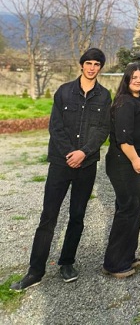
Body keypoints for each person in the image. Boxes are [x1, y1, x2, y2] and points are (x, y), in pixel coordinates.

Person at [11, 48, 111, 291]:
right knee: (48, 216)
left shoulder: (104, 96)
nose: (92, 68)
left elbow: (103, 129)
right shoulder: (64, 92)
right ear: (81, 65)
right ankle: (35, 271)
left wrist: (83, 153)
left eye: (96, 64)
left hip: (86, 164)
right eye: (88, 63)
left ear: (100, 67)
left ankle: (67, 263)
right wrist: (70, 154)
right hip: (60, 163)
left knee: (77, 216)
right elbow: (55, 127)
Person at [102, 63, 140, 278]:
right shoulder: (124, 102)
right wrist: (135, 158)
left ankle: (127, 255)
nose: (138, 80)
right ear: (126, 79)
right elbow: (123, 137)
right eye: (134, 77)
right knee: (128, 209)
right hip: (123, 162)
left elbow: (138, 128)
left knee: (135, 207)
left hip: (136, 158)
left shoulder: (139, 101)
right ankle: (114, 263)